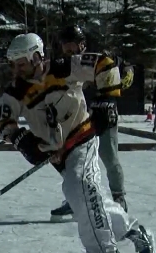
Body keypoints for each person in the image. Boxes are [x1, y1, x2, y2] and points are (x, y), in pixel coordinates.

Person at [0, 33, 156, 253]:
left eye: (22, 64)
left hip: (83, 139)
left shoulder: (64, 68)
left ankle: (108, 249)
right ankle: (133, 230)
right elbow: (2, 121)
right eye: (13, 65)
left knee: (80, 187)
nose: (16, 70)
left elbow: (105, 64)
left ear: (37, 57)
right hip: (57, 155)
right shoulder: (15, 91)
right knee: (83, 196)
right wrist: (21, 140)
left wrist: (107, 101)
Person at [50, 25, 133, 221]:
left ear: (82, 45)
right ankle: (75, 199)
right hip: (80, 120)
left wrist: (126, 71)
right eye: (65, 46)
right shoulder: (65, 65)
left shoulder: (95, 59)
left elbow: (122, 68)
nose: (68, 50)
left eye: (72, 46)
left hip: (103, 115)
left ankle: (119, 196)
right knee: (76, 162)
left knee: (109, 156)